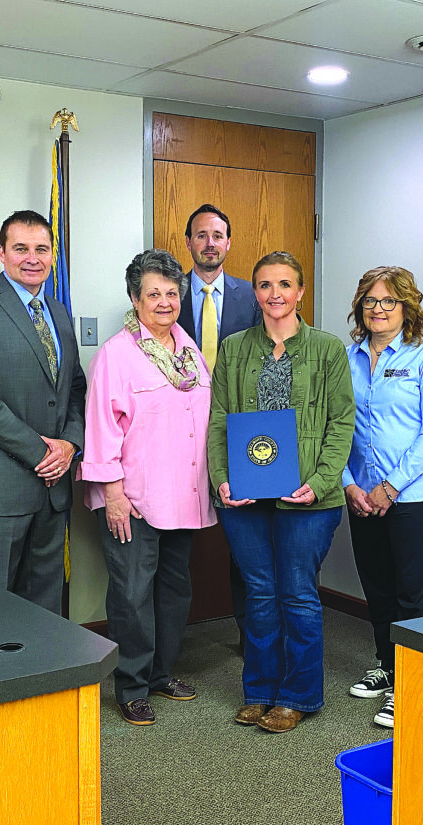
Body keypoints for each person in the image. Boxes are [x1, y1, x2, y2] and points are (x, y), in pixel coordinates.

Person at [208, 251, 355, 733]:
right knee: (259, 594)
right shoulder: (233, 349)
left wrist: (320, 482)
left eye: (285, 284)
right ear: (255, 292)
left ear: (300, 292)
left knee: (297, 595)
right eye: (266, 285)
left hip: (308, 499)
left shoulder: (328, 350)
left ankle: (298, 695)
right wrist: (222, 478)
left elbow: (341, 424)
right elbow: (217, 420)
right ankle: (260, 691)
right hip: (245, 499)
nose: (275, 294)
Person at [77, 249, 216, 726]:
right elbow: (101, 428)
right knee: (132, 594)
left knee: (175, 590)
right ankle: (132, 685)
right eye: (153, 294)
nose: (164, 302)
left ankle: (160, 673)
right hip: (132, 499)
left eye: (172, 293)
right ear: (135, 299)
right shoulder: (116, 355)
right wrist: (113, 495)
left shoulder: (189, 352)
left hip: (183, 494)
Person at [0, 210, 86, 615]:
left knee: (45, 610)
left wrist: (69, 445)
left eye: (42, 249)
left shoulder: (57, 312)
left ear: (53, 255)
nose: (32, 258)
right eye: (21, 248)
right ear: (2, 253)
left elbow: (75, 388)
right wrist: (42, 453)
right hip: (0, 489)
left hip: (53, 489)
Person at [342, 266, 423, 728]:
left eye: (389, 301)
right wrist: (349, 483)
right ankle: (387, 666)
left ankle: (410, 683)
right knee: (378, 589)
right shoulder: (346, 358)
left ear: (406, 307)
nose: (378, 309)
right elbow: (333, 426)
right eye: (370, 300)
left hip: (414, 498)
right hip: (361, 495)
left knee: (413, 595)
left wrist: (390, 487)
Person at [178, 203, 261, 646]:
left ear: (229, 242)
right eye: (201, 235)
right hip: (179, 434)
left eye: (217, 235)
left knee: (246, 543)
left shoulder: (254, 296)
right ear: (189, 242)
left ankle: (252, 639)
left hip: (239, 432)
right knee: (174, 538)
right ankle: (170, 646)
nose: (210, 243)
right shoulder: (166, 293)